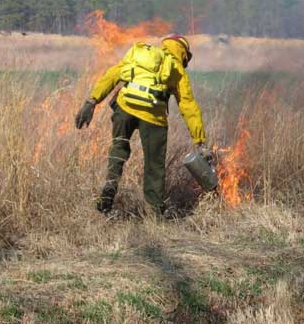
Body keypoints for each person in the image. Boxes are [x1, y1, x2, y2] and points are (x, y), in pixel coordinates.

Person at [75, 34, 210, 215]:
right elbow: (188, 106)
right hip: (153, 117)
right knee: (154, 165)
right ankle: (155, 210)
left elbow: (112, 75)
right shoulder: (176, 70)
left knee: (119, 146)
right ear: (183, 53)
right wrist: (199, 141)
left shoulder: (141, 56)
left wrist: (91, 101)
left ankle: (111, 184)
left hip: (125, 108)